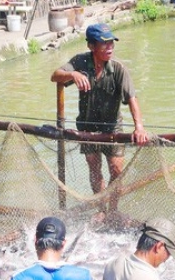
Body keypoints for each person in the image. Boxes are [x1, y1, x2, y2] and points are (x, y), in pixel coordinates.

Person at [50, 23, 149, 220]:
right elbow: (55, 76)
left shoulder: (119, 69)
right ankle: (101, 209)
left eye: (111, 42)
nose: (109, 47)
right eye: (104, 43)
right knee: (94, 169)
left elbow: (132, 98)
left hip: (113, 128)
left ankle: (113, 209)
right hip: (87, 128)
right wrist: (72, 74)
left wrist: (139, 126)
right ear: (91, 46)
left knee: (117, 170)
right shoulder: (80, 62)